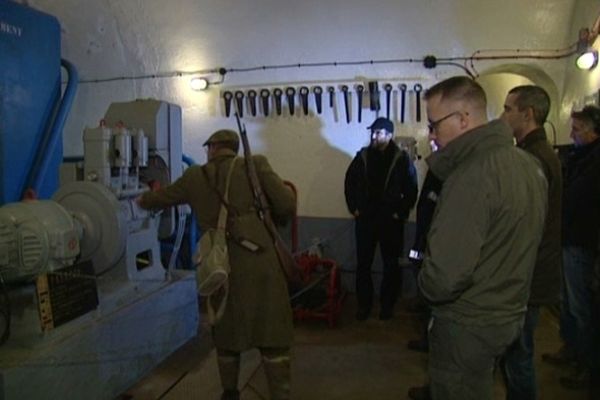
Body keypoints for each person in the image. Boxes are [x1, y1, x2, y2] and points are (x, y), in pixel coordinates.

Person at [137, 129, 296, 400]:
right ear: (234, 148)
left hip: (220, 266)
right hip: (261, 263)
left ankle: (230, 392)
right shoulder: (255, 165)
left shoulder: (194, 176)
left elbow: (159, 199)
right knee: (272, 334)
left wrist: (141, 197)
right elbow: (286, 204)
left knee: (226, 331)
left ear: (211, 149)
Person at [416, 76, 548, 400]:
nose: (431, 135)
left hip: (468, 324)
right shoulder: (528, 166)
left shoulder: (472, 174)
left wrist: (423, 284)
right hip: (509, 312)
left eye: (434, 124)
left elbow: (446, 276)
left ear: (463, 119)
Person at [499, 85, 563, 400]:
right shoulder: (532, 153)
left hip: (528, 275)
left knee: (518, 356)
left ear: (528, 114)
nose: (503, 115)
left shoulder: (534, 159)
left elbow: (524, 224)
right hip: (528, 271)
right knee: (514, 354)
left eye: (508, 109)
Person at [542, 105, 600, 391]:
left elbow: (582, 202)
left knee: (580, 307)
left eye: (577, 130)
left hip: (582, 242)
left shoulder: (594, 162)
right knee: (567, 303)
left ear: (594, 131)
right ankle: (571, 349)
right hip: (569, 238)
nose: (571, 134)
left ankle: (587, 364)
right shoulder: (579, 159)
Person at [344, 117, 418, 320]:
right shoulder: (363, 157)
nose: (374, 136)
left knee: (391, 265)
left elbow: (411, 189)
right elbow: (349, 182)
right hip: (366, 220)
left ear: (389, 135)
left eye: (378, 133)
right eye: (373, 132)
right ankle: (364, 306)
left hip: (390, 222)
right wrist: (355, 209)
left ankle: (387, 306)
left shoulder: (401, 159)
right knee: (363, 264)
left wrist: (400, 213)